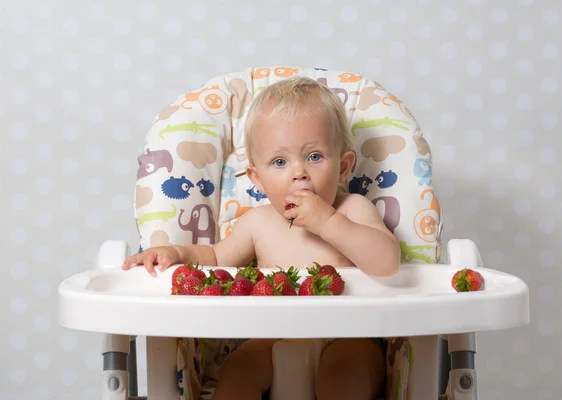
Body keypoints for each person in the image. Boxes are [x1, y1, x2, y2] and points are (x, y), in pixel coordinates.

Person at [122, 76, 401, 400]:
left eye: (314, 156)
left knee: (343, 379)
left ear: (343, 166)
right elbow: (214, 259)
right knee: (238, 373)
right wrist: (175, 252)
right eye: (280, 162)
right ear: (257, 178)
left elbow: (387, 262)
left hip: (350, 337)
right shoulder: (258, 222)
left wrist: (329, 222)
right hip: (269, 337)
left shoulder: (353, 209)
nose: (299, 172)